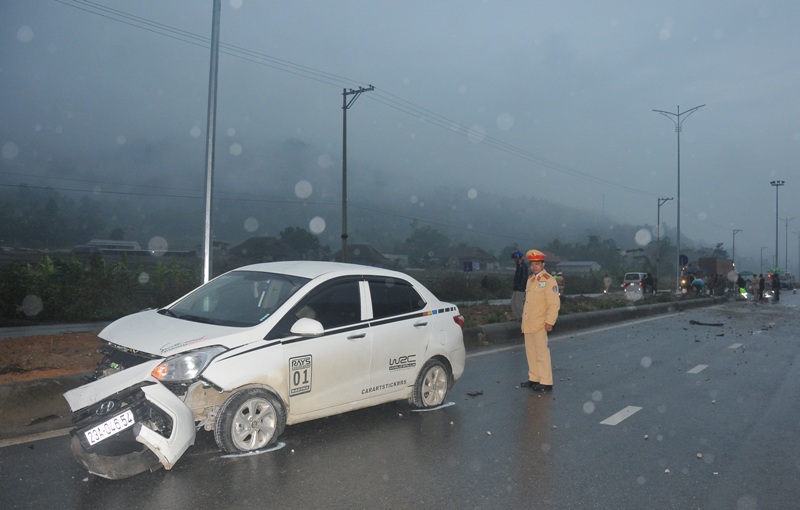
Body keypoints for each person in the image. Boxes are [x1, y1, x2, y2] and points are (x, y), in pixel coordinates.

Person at [520, 249, 560, 392]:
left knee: (542, 353)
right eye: (532, 264)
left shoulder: (549, 280)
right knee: (530, 353)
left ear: (543, 264)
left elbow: (554, 304)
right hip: (529, 322)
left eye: (537, 264)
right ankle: (534, 378)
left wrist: (550, 321)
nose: (534, 267)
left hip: (540, 323)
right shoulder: (530, 280)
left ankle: (546, 381)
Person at [510, 250, 528, 321]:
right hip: (516, 288)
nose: (514, 260)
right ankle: (517, 317)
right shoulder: (519, 266)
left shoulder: (523, 266)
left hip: (520, 288)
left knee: (518, 303)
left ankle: (523, 317)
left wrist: (521, 287)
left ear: (518, 258)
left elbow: (524, 278)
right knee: (513, 303)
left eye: (515, 259)